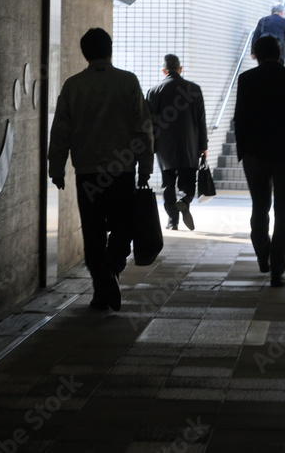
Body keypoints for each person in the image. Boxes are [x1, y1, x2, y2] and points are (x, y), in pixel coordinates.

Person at [49, 28, 153, 311]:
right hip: (121, 172)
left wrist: (56, 168)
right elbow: (143, 128)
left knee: (93, 232)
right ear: (110, 49)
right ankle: (112, 265)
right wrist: (145, 166)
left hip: (87, 173)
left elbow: (60, 131)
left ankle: (100, 291)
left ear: (84, 53)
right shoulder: (128, 81)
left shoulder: (73, 86)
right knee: (124, 227)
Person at [234, 35, 285, 287]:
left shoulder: (246, 80)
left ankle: (263, 255)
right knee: (284, 212)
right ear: (280, 52)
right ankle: (277, 270)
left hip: (255, 155)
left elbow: (240, 119)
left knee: (259, 207)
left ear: (256, 55)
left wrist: (243, 152)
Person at [145, 54, 208, 231]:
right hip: (190, 145)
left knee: (168, 184)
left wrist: (150, 147)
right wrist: (203, 146)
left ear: (164, 70)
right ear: (180, 69)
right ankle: (184, 200)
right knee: (188, 182)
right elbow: (200, 120)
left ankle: (173, 221)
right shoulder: (194, 89)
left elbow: (148, 123)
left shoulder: (154, 91)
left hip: (165, 148)